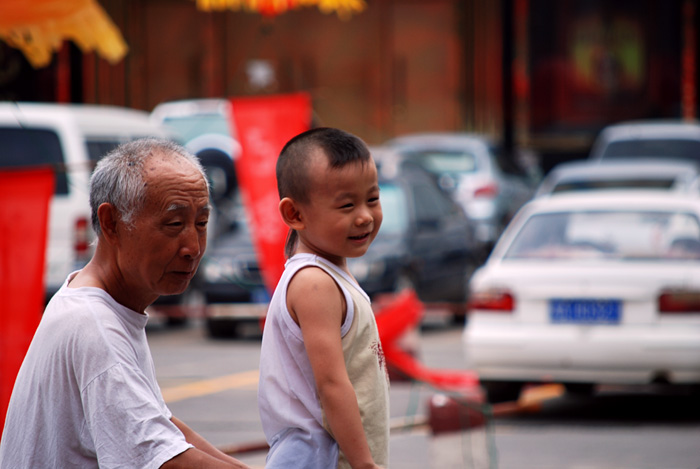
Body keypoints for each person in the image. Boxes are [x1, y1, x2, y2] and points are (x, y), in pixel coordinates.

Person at [0, 138, 249, 469]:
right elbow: (163, 459)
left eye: (201, 224)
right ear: (111, 223)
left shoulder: (102, 304)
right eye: (174, 225)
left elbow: (163, 427)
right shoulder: (92, 323)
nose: (192, 246)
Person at [258, 127, 390, 469]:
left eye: (372, 199)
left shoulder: (328, 274)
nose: (364, 216)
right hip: (322, 460)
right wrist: (364, 464)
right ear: (295, 215)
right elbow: (331, 384)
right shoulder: (313, 283)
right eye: (347, 205)